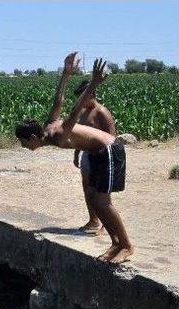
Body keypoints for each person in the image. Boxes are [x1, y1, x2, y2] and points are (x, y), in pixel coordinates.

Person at [15, 56, 133, 264]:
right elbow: (58, 101)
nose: (24, 147)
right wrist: (65, 74)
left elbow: (75, 109)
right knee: (93, 198)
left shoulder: (58, 134)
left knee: (101, 202)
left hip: (109, 150)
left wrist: (94, 82)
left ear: (34, 138)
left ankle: (126, 245)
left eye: (24, 143)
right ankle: (115, 243)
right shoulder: (49, 125)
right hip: (97, 154)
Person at [50, 52, 117, 235]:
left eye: (82, 95)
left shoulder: (101, 112)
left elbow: (111, 136)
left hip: (101, 155)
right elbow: (77, 136)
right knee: (87, 189)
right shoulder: (82, 114)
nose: (80, 98)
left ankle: (104, 224)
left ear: (91, 94)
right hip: (87, 155)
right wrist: (76, 154)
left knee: (100, 193)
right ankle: (93, 219)